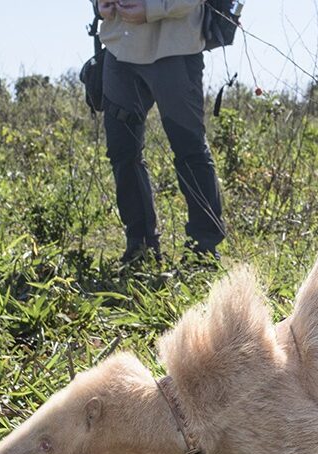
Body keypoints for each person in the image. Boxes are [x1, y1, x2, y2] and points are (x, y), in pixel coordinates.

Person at [95, 0, 226, 264]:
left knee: (189, 148)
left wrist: (153, 8)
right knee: (123, 152)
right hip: (119, 46)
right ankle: (140, 248)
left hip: (176, 47)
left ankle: (203, 252)